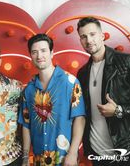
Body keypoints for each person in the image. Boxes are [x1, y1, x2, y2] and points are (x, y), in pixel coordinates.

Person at [18, 34, 86, 166]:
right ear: (30, 56)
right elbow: (26, 124)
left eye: (43, 51)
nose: (39, 56)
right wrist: (25, 157)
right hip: (39, 159)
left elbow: (80, 118)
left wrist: (73, 153)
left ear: (52, 53)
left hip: (65, 159)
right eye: (34, 52)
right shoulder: (29, 90)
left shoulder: (70, 82)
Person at [77, 16, 130, 166]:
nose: (89, 40)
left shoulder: (126, 62)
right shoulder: (82, 73)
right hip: (97, 152)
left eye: (93, 34)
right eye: (83, 36)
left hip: (124, 149)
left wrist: (119, 110)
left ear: (102, 36)